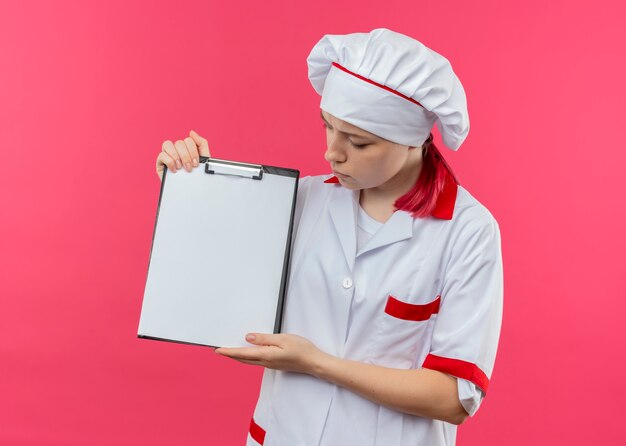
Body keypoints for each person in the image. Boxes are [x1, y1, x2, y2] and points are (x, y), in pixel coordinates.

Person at [155, 28, 503, 446]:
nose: (332, 152)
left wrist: (318, 363)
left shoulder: (468, 232)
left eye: (358, 142)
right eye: (328, 127)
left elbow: (454, 396)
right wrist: (189, 188)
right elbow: (212, 280)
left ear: (413, 142)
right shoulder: (301, 199)